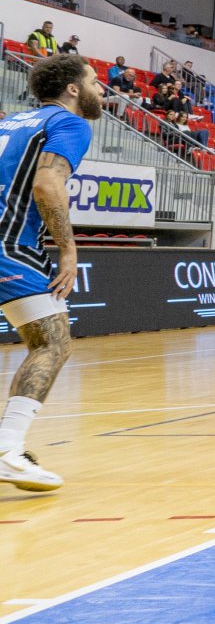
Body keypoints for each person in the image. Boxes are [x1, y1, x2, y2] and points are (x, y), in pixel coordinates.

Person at [0, 53, 102, 492]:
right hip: (9, 244)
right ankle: (7, 449)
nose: (102, 90)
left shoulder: (9, 123)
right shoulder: (71, 124)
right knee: (52, 342)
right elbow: (46, 184)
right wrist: (68, 248)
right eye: (95, 82)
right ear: (73, 90)